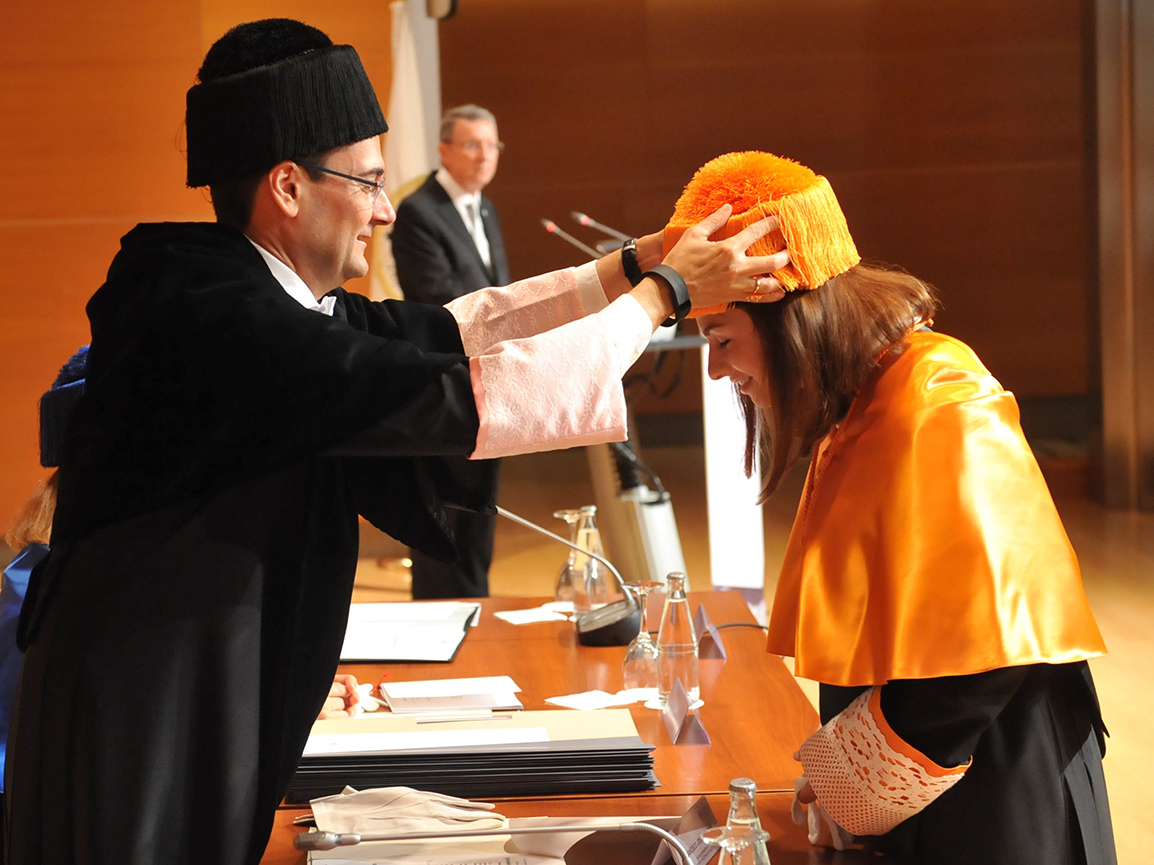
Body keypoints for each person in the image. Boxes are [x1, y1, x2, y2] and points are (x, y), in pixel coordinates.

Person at [5, 21, 786, 865]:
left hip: (198, 676)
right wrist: (665, 293)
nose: (384, 209)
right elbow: (469, 395)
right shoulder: (208, 309)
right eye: (370, 181)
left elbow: (458, 330)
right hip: (142, 703)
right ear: (289, 187)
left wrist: (632, 266)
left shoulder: (263, 294)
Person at [667, 151, 1117, 865]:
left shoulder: (939, 397)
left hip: (996, 774)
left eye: (722, 340)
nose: (717, 369)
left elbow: (981, 660)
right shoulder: (866, 395)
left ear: (792, 319)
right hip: (938, 766)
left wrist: (850, 784)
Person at [391, 104, 510, 599]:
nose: (485, 156)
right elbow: (442, 302)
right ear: (444, 150)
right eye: (472, 145)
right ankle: (444, 622)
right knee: (449, 529)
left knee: (478, 525)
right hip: (446, 385)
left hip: (489, 382)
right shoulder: (419, 212)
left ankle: (475, 615)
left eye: (492, 145)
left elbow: (497, 289)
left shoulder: (484, 208)